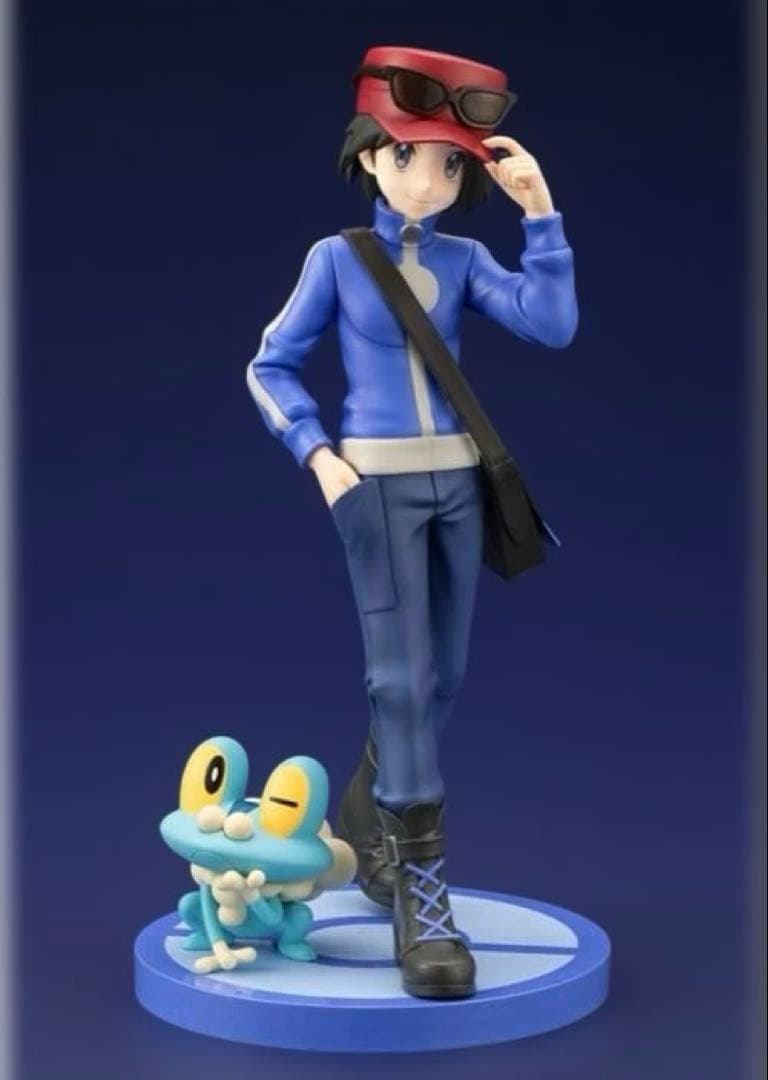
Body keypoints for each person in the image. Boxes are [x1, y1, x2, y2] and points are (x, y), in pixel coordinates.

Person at [246, 45, 577, 999]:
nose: (428, 179)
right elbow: (269, 365)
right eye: (406, 155)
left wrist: (540, 213)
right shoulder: (338, 259)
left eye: (449, 164)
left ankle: (368, 813)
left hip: (460, 486)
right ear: (368, 155)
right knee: (399, 677)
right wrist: (319, 454)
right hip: (378, 488)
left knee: (444, 676)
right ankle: (420, 884)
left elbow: (551, 324)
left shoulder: (466, 260)